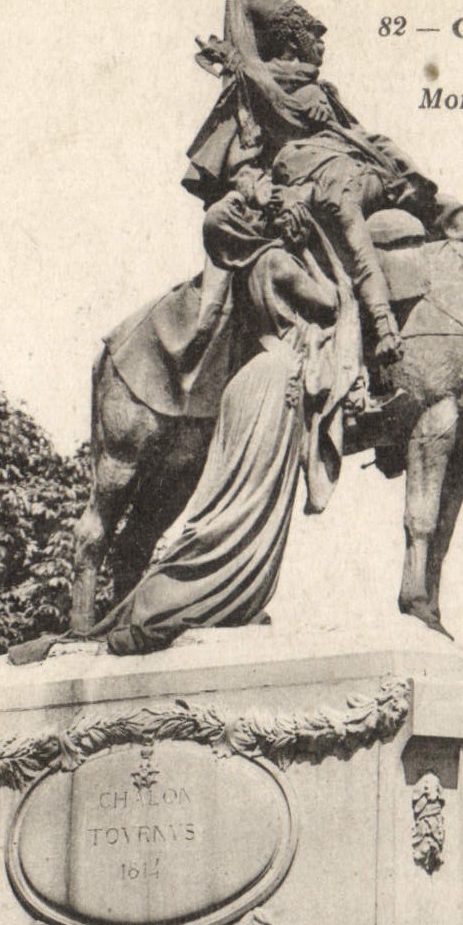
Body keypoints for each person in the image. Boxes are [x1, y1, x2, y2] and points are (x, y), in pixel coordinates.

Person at [185, 0, 463, 366]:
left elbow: (357, 134)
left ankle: (461, 232)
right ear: (294, 42)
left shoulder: (321, 90)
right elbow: (242, 165)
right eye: (316, 37)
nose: (323, 45)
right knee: (344, 212)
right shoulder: (253, 88)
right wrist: (273, 197)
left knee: (401, 174)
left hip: (357, 166)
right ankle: (382, 323)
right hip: (305, 186)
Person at [98, 184, 354, 654]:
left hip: (248, 382)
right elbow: (331, 302)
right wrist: (316, 246)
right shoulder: (279, 262)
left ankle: (212, 598)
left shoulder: (244, 270)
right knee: (249, 506)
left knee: (229, 498)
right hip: (277, 380)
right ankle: (177, 599)